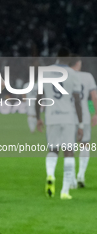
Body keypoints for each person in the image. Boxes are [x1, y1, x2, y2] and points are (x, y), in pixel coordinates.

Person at [36, 47, 83, 200]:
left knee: (53, 150)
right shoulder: (72, 74)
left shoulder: (45, 72)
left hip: (51, 117)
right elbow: (77, 100)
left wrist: (38, 117)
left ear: (56, 57)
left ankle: (50, 175)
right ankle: (64, 191)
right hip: (68, 117)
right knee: (69, 152)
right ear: (68, 59)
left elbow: (39, 96)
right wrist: (80, 124)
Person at [69, 56, 97, 188]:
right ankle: (81, 174)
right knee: (84, 145)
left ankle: (72, 179)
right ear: (78, 63)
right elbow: (94, 96)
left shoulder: (64, 77)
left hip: (68, 116)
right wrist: (96, 113)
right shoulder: (87, 76)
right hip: (84, 115)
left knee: (69, 148)